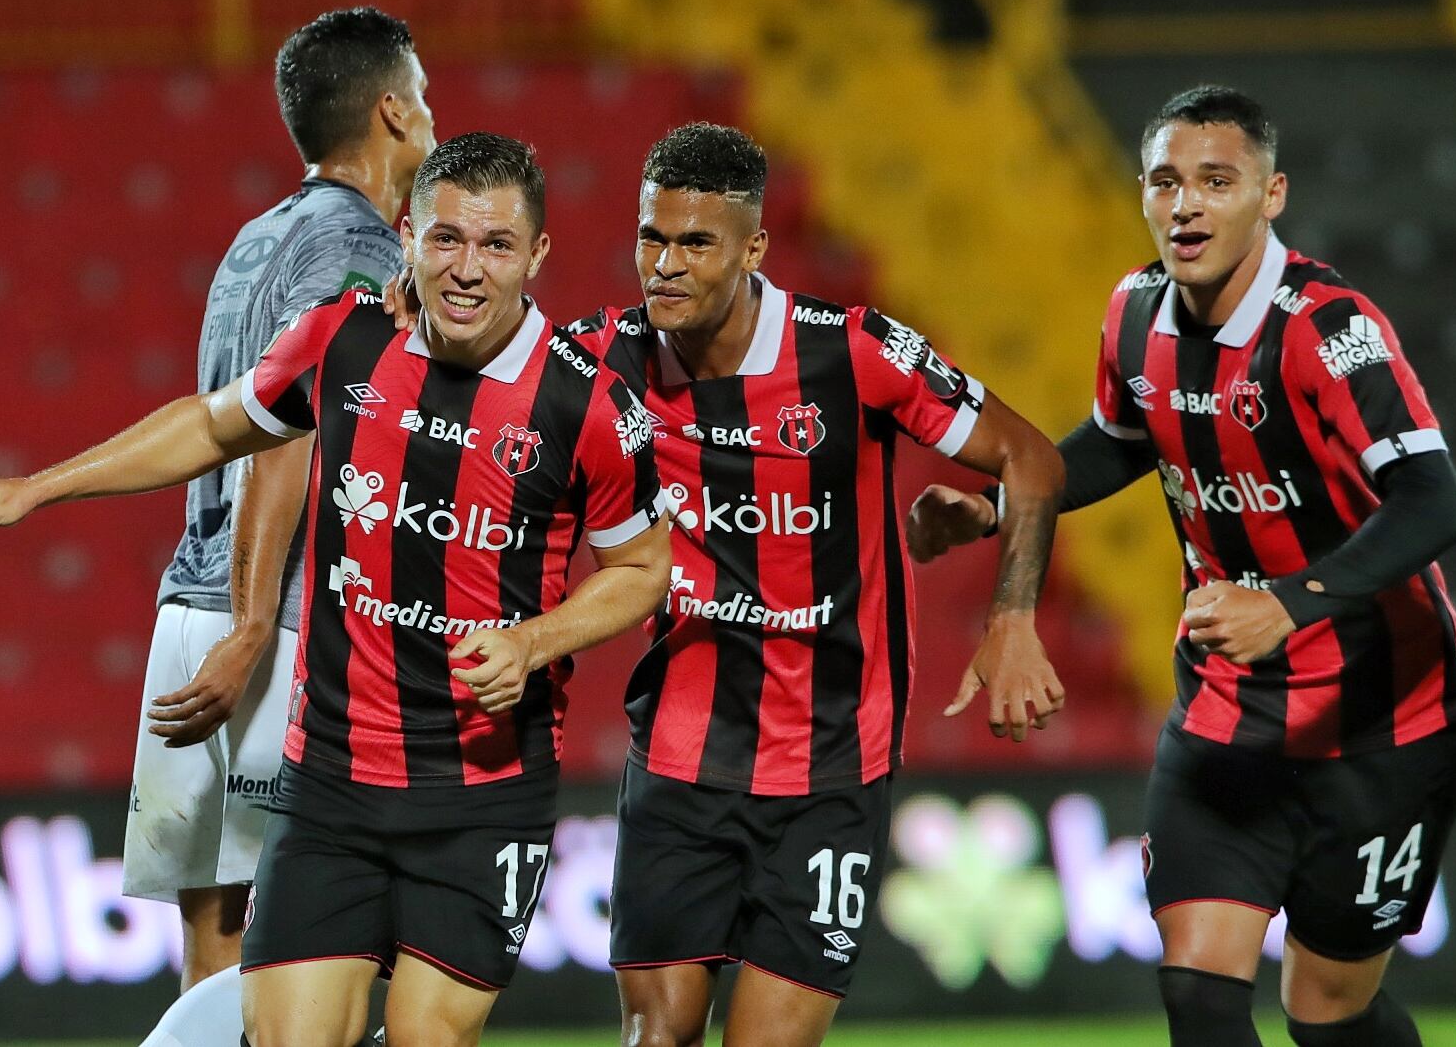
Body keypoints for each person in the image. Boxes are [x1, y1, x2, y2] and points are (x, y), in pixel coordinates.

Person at [0, 133, 671, 1047]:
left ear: (538, 254)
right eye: (445, 240)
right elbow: (209, 426)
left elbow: (642, 571)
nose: (467, 269)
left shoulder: (588, 404)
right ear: (406, 233)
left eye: (496, 245)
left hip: (486, 793)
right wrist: (34, 487)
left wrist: (532, 643)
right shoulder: (344, 338)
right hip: (331, 785)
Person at [383, 121, 1067, 1046]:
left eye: (696, 243)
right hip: (676, 763)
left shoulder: (850, 352)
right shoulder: (601, 361)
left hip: (831, 770)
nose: (665, 264)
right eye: (651, 237)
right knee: (655, 1038)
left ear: (754, 248)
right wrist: (409, 314)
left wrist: (1013, 618)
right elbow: (470, 364)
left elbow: (1028, 457)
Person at [906, 86, 1456, 1047]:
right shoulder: (1132, 315)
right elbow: (1122, 439)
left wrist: (1289, 605)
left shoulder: (1328, 330)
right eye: (1167, 182)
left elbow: (1434, 501)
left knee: (1325, 1018)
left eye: (1217, 181)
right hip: (1225, 712)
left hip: (1383, 719)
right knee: (1200, 1001)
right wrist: (995, 508)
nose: (1187, 206)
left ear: (1272, 194)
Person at [134, 5, 433, 999]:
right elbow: (288, 432)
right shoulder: (360, 249)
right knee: (316, 954)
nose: (432, 118)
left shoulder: (254, 241)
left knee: (212, 955)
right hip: (281, 630)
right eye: (423, 97)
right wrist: (258, 628)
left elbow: (222, 418)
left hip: (190, 608)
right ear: (392, 111)